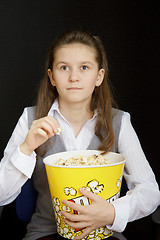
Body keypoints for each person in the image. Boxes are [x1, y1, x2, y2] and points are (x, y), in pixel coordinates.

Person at [0, 30, 159, 240]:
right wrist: (26, 148)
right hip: (45, 233)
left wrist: (112, 213)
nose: (74, 77)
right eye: (64, 68)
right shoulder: (30, 119)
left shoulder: (119, 122)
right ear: (52, 77)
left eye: (84, 68)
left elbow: (150, 192)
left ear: (99, 76)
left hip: (105, 234)